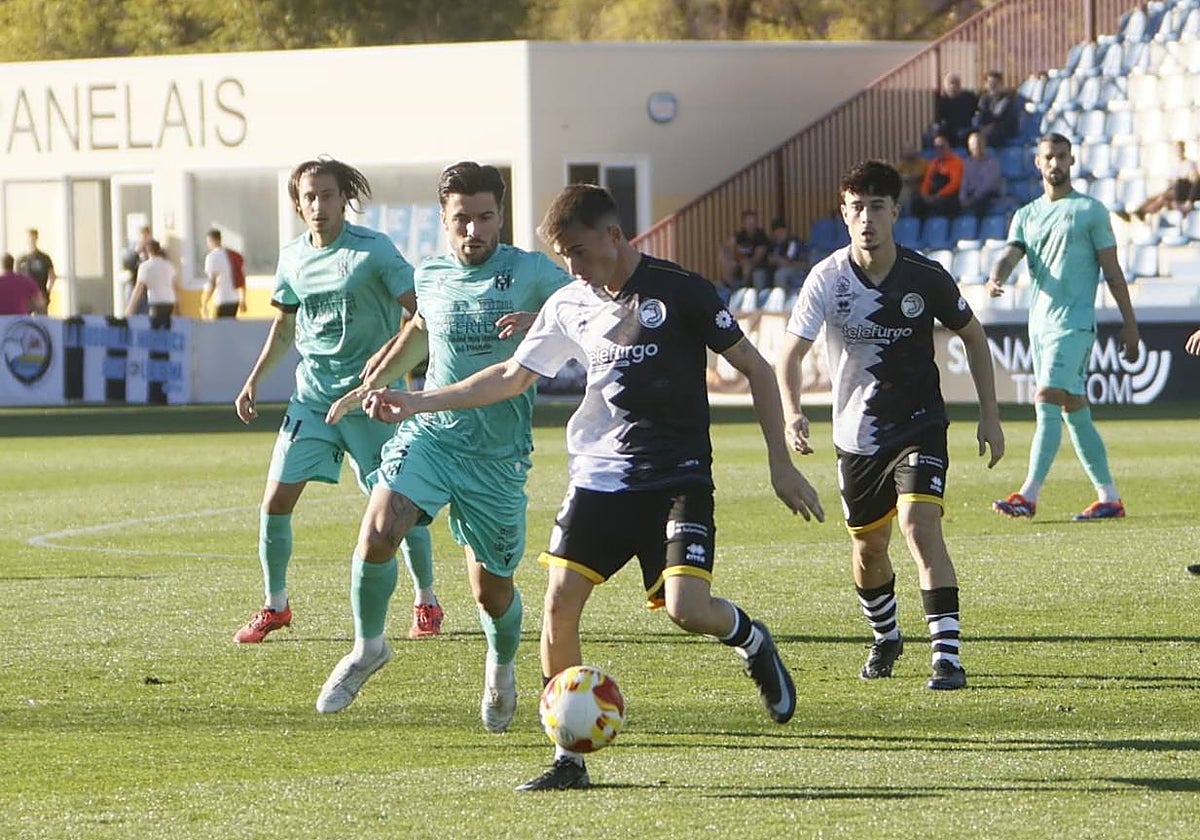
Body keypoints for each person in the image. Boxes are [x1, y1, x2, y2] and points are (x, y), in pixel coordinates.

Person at [360, 184, 825, 791]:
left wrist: (780, 465)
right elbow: (507, 376)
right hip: (599, 479)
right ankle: (567, 758)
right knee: (558, 603)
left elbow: (757, 370)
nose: (572, 269)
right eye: (562, 257)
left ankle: (750, 638)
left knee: (688, 611)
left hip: (678, 478)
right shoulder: (570, 303)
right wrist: (416, 399)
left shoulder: (681, 290)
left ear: (614, 236)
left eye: (578, 253)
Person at [314, 162, 571, 728]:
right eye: (462, 220)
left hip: (497, 459)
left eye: (485, 218)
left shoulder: (531, 272)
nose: (473, 231)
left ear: (502, 215)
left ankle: (501, 665)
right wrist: (371, 388)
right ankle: (368, 647)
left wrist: (544, 317)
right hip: (431, 438)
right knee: (380, 527)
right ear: (443, 220)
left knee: (491, 592)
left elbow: (592, 306)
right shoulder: (430, 274)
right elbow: (421, 332)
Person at [777, 160, 1003, 694]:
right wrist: (791, 412)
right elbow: (788, 355)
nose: (866, 218)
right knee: (868, 549)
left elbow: (972, 335)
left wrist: (988, 414)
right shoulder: (826, 279)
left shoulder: (925, 276)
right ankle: (887, 636)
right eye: (857, 207)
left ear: (895, 212)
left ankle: (946, 658)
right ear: (844, 213)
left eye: (877, 206)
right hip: (856, 437)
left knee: (919, 526)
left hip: (921, 425)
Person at [231, 157, 433, 646]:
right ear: (298, 205)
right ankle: (276, 606)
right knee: (275, 503)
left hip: (369, 402)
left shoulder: (375, 251)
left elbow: (419, 313)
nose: (318, 204)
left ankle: (426, 599)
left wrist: (401, 377)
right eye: (309, 197)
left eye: (327, 194)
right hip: (312, 400)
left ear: (345, 198)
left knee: (397, 505)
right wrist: (254, 379)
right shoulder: (293, 257)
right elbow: (285, 324)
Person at [987, 133, 1140, 522]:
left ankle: (1028, 494)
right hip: (1039, 327)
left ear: (1072, 160)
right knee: (1075, 411)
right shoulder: (1026, 215)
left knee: (1046, 399)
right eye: (1048, 157)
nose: (1054, 164)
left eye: (1061, 157)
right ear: (1037, 163)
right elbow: (1011, 252)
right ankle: (1109, 497)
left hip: (1073, 324)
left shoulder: (1090, 211)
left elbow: (1113, 272)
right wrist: (996, 274)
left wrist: (1130, 325)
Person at [1120, 141, 1200, 221]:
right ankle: (1139, 210)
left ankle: (1141, 211)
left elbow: (1193, 181)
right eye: (1176, 149)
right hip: (1174, 190)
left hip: (1183, 191)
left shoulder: (1190, 164)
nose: (1178, 151)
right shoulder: (1175, 165)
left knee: (1162, 198)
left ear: (1183, 150)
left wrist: (1189, 200)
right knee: (1157, 197)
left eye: (1179, 149)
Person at [125, 240, 180, 328]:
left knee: (155, 329)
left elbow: (138, 289)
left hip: (155, 301)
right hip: (170, 301)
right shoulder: (169, 265)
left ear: (147, 252)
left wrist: (130, 309)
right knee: (167, 328)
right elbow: (175, 287)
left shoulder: (145, 267)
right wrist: (178, 306)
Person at [720, 209, 770, 297]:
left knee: (748, 267)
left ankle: (743, 290)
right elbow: (726, 247)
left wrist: (746, 262)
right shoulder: (740, 235)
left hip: (758, 266)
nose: (751, 223)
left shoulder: (761, 236)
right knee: (729, 264)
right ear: (743, 223)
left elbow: (758, 257)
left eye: (753, 220)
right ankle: (730, 290)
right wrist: (728, 259)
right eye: (748, 221)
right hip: (741, 264)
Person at [914, 134, 963, 219]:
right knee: (917, 202)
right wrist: (925, 195)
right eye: (936, 148)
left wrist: (939, 195)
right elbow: (927, 182)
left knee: (944, 204)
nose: (939, 150)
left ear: (949, 147)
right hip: (934, 195)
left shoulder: (956, 162)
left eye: (942, 147)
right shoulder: (934, 163)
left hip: (949, 196)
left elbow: (955, 183)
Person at [200, 229, 246, 319]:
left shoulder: (212, 257)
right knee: (230, 329)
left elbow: (212, 282)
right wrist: (243, 298)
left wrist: (204, 302)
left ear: (211, 240)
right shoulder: (232, 255)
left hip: (221, 299)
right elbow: (241, 278)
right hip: (234, 299)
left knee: (218, 330)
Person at [959, 131, 1005, 218]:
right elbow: (964, 181)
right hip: (972, 192)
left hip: (988, 193)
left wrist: (973, 199)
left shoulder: (992, 163)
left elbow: (987, 185)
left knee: (981, 204)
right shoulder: (967, 163)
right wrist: (962, 198)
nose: (977, 148)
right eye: (973, 146)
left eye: (979, 145)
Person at [972, 70, 1020, 147]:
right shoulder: (984, 98)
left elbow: (1000, 117)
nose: (992, 86)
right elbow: (981, 115)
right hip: (988, 129)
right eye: (990, 83)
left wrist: (988, 125)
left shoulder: (1008, 99)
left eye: (995, 83)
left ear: (1001, 84)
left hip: (1004, 130)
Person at [930, 72, 978, 147]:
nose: (953, 86)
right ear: (945, 86)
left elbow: (977, 112)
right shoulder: (941, 101)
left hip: (966, 128)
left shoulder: (969, 97)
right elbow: (938, 119)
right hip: (948, 129)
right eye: (950, 83)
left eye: (955, 83)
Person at [16, 228, 56, 308]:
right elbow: (17, 278)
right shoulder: (21, 259)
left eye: (33, 237)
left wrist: (48, 292)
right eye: (29, 237)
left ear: (36, 238)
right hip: (26, 296)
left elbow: (52, 276)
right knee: (25, 319)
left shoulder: (44, 258)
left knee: (41, 319)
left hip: (40, 294)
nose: (31, 240)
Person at [766, 217, 809, 291]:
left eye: (781, 231)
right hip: (783, 266)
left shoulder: (792, 242)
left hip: (797, 267)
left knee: (780, 274)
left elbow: (788, 261)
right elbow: (769, 259)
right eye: (776, 232)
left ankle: (781, 299)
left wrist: (777, 259)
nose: (779, 234)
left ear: (786, 230)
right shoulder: (774, 244)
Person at [896, 147, 928, 217]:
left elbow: (916, 177)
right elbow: (895, 175)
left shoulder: (922, 163)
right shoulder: (902, 165)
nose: (907, 160)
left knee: (905, 191)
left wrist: (904, 177)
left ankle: (908, 216)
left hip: (918, 189)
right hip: (905, 188)